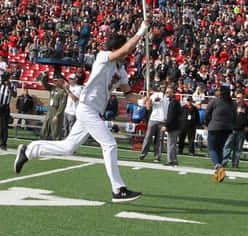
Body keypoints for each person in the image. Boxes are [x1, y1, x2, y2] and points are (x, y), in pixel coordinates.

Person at [15, 22, 150, 203]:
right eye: (125, 51)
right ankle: (118, 189)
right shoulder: (103, 57)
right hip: (87, 108)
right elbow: (125, 50)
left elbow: (128, 94)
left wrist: (142, 101)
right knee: (110, 144)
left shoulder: (122, 71)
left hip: (93, 111)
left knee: (69, 147)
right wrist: (141, 31)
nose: (128, 55)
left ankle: (29, 150)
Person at [205, 85, 234, 183]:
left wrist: (207, 123)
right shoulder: (232, 103)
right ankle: (218, 173)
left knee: (212, 149)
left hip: (214, 127)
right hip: (227, 129)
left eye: (217, 90)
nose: (215, 91)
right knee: (219, 149)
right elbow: (235, 117)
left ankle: (218, 166)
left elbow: (206, 113)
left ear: (221, 93)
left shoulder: (215, 101)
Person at [139, 86, 169, 163]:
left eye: (165, 87)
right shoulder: (156, 94)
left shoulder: (167, 98)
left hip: (163, 121)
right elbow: (148, 105)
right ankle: (143, 154)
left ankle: (157, 156)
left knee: (159, 139)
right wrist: (152, 101)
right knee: (148, 137)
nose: (164, 89)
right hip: (154, 119)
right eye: (162, 87)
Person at [222, 92, 248, 169]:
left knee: (238, 148)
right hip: (231, 129)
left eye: (240, 98)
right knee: (227, 146)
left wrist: (247, 126)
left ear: (243, 98)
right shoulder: (232, 106)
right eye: (237, 98)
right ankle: (223, 162)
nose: (238, 99)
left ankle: (235, 163)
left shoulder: (246, 108)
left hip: (241, 130)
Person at [39, 72, 67, 140]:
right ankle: (42, 144)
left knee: (55, 132)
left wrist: (57, 115)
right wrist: (44, 77)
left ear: (61, 81)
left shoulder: (63, 92)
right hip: (50, 111)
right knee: (44, 129)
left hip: (56, 112)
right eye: (54, 80)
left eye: (56, 80)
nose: (54, 82)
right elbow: (45, 84)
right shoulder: (52, 88)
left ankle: (57, 147)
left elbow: (62, 105)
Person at [163, 91, 182, 167]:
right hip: (175, 125)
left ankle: (170, 160)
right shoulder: (175, 102)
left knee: (170, 144)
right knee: (172, 144)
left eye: (168, 92)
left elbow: (171, 115)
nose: (167, 93)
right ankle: (174, 160)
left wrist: (166, 125)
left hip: (173, 126)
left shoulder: (173, 102)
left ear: (172, 93)